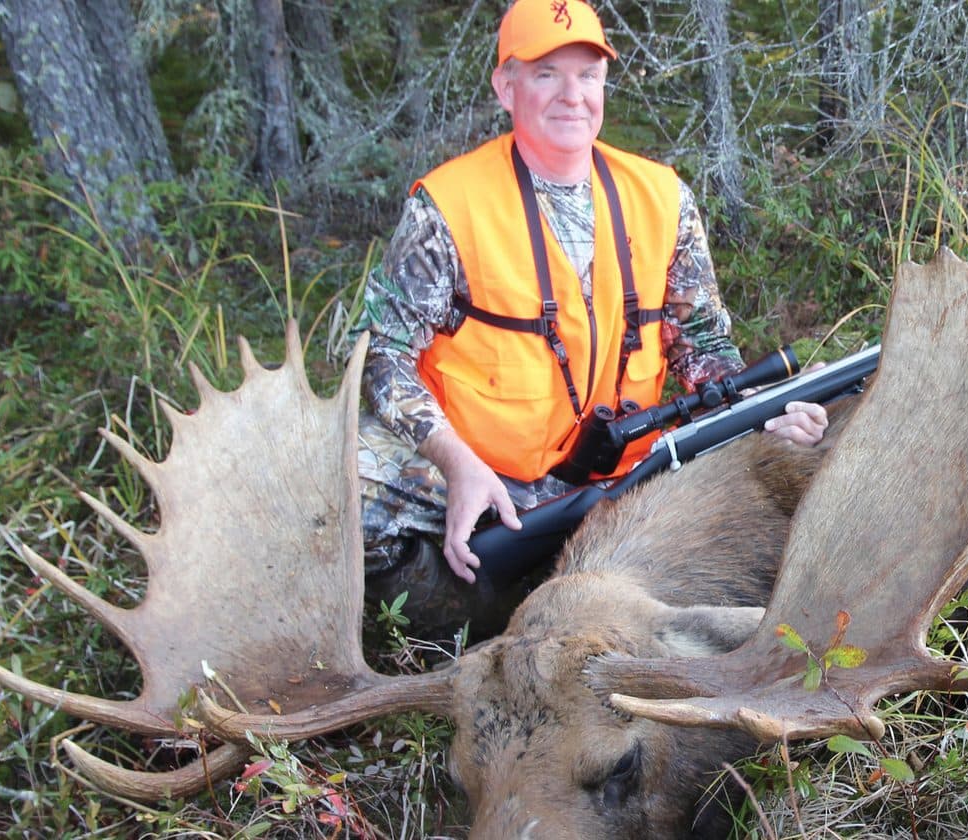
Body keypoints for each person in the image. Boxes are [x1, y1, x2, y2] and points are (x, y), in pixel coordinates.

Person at [354, 0, 826, 636]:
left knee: (782, 458)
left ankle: (556, 600)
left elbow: (704, 348)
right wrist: (458, 464)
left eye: (588, 74)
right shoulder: (447, 207)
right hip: (484, 470)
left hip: (630, 476)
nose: (571, 95)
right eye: (546, 74)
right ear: (506, 87)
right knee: (348, 487)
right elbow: (382, 354)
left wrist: (763, 408)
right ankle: (456, 615)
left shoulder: (663, 198)